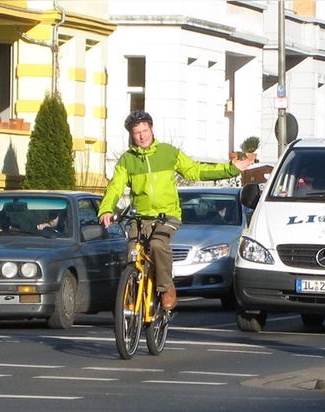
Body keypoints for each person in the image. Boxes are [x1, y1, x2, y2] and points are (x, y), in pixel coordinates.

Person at [98, 110, 253, 310]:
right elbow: (115, 187)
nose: (142, 136)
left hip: (167, 215)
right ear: (131, 135)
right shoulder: (127, 160)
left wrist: (230, 169)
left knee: (157, 244)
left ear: (151, 129)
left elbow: (195, 170)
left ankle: (166, 288)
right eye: (137, 132)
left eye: (145, 130)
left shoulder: (168, 153)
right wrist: (106, 209)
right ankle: (132, 293)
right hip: (141, 217)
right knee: (132, 253)